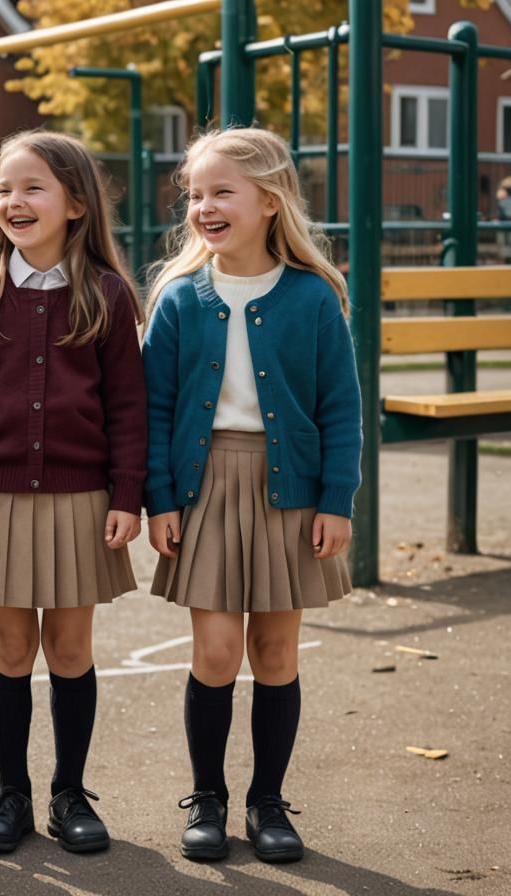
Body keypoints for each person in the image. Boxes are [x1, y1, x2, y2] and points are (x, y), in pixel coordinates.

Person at [142, 127, 362, 865]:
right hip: (204, 488)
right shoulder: (178, 300)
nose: (203, 206)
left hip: (288, 491)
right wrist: (160, 499)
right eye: (195, 194)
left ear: (269, 201)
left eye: (221, 192)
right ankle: (208, 798)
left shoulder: (313, 298)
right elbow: (156, 408)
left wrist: (337, 499)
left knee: (274, 650)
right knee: (214, 650)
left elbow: (341, 406)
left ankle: (269, 801)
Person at [0, 130, 147, 855]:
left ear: (77, 206)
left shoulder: (107, 295)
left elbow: (127, 405)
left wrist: (127, 495)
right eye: (4, 189)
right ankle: (11, 795)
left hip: (80, 501)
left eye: (33, 188)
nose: (14, 202)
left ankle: (68, 794)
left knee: (69, 646)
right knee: (10, 647)